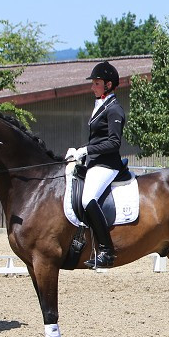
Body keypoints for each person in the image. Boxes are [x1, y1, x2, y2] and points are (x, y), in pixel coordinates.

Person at [65, 60, 126, 269]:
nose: (92, 86)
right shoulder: (100, 105)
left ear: (108, 85)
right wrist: (80, 151)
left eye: (96, 83)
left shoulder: (114, 109)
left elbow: (114, 142)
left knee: (88, 198)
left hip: (108, 164)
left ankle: (107, 251)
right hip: (94, 162)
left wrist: (87, 150)